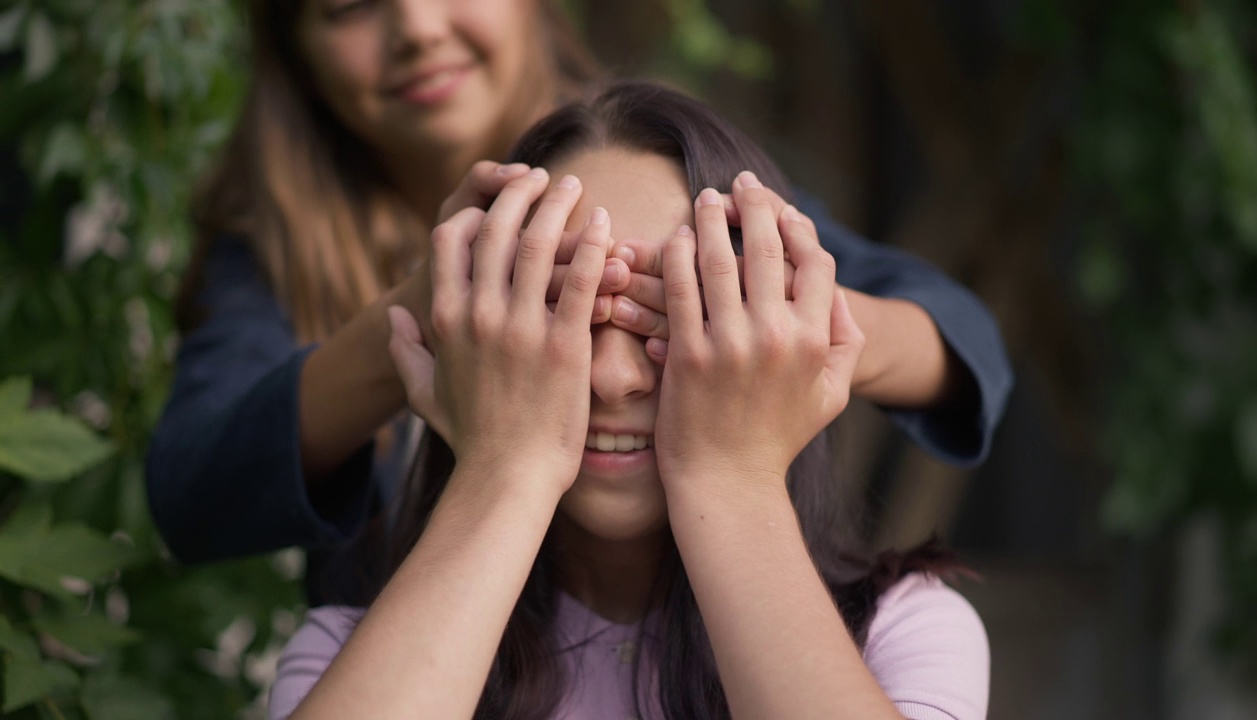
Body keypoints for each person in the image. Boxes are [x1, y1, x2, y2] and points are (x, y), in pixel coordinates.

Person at [146, 0, 1012, 607]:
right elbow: (192, 491)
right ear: (293, 49)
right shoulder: (269, 253)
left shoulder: (663, 167)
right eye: (346, 5)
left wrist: (782, 315)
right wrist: (423, 317)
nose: (415, 26)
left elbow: (964, 343)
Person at [267, 80, 989, 720]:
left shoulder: (902, 632)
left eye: (678, 316)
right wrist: (504, 467)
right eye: (559, 311)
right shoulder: (345, 653)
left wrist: (730, 481)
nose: (613, 378)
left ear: (773, 343)